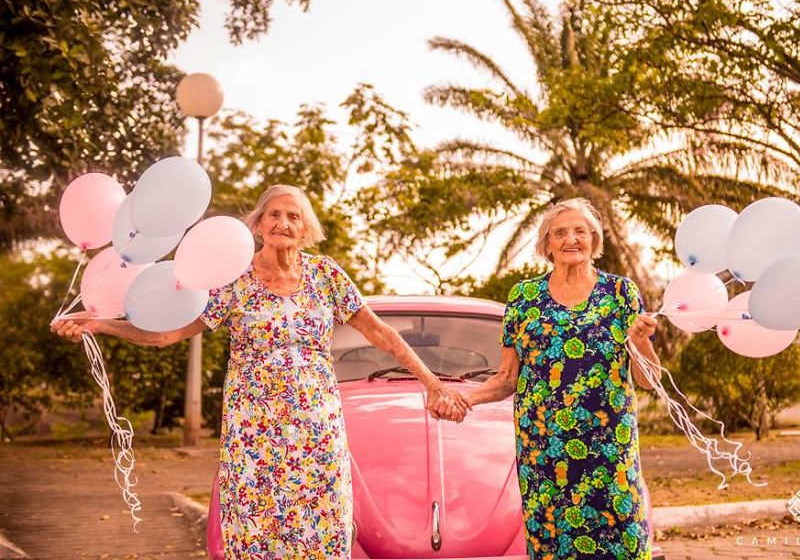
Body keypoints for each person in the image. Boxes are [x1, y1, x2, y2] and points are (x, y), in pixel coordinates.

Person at [52, 184, 469, 559]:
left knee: (320, 531)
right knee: (254, 533)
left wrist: (431, 383)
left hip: (315, 432)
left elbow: (381, 333)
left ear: (306, 229)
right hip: (253, 435)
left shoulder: (327, 277)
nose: (283, 223)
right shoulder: (232, 279)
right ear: (257, 224)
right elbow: (166, 335)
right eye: (274, 214)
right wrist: (101, 324)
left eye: (293, 216)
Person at [448, 198, 660, 559]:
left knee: (623, 541)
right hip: (545, 453)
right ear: (546, 245)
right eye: (559, 233)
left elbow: (647, 379)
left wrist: (640, 343)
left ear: (594, 239)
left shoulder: (622, 294)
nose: (571, 239)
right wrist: (462, 398)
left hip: (609, 450)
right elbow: (506, 378)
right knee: (552, 545)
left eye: (580, 231)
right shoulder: (524, 297)